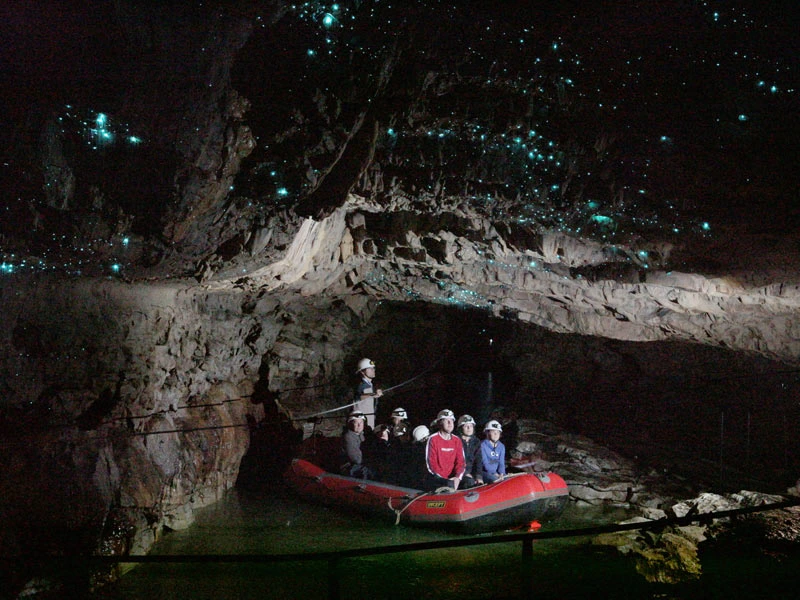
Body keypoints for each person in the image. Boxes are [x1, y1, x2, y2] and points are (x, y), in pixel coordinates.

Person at [425, 409, 465, 490]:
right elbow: (431, 464)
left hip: (453, 478)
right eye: (446, 420)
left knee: (469, 482)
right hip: (437, 477)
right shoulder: (433, 439)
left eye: (451, 420)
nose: (450, 423)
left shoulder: (457, 440)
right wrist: (445, 480)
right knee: (448, 484)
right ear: (440, 422)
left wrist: (457, 477)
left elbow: (461, 462)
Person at [340, 411, 373, 479]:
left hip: (360, 464)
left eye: (361, 422)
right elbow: (356, 459)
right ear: (350, 423)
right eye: (356, 422)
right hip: (349, 467)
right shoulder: (348, 436)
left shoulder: (361, 435)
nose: (359, 425)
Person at [354, 358, 383, 429]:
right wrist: (373, 394)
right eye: (370, 369)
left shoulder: (370, 385)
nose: (373, 370)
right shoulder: (362, 386)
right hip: (362, 423)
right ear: (362, 372)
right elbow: (359, 397)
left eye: (373, 368)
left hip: (368, 422)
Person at [457, 414, 483, 489]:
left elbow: (478, 460)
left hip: (471, 473)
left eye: (471, 426)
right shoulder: (456, 441)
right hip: (459, 474)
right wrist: (465, 473)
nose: (469, 428)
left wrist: (479, 476)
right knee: (470, 482)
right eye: (466, 426)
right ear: (461, 428)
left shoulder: (476, 441)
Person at [480, 419, 506, 483]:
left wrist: (502, 473)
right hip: (484, 472)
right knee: (495, 480)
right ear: (487, 432)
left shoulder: (501, 446)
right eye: (493, 431)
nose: (496, 433)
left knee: (507, 481)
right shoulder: (482, 445)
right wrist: (495, 474)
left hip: (496, 473)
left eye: (498, 431)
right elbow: (485, 464)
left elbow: (501, 463)